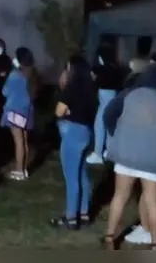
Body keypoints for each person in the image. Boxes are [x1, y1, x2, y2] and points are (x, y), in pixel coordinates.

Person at [101, 62, 156, 250]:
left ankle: (109, 238)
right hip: (154, 157)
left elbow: (108, 115)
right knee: (153, 202)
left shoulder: (129, 94)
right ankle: (155, 244)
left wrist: (117, 133)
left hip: (126, 152)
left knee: (119, 196)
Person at [50, 55, 97, 230]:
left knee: (71, 178)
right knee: (82, 175)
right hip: (86, 134)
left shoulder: (71, 88)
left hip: (72, 134)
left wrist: (67, 110)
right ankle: (84, 214)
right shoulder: (90, 89)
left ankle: (70, 218)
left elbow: (58, 111)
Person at [1, 47, 37, 181]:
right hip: (27, 110)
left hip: (15, 110)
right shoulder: (31, 74)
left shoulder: (15, 75)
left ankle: (19, 170)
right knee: (24, 140)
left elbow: (5, 92)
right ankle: (24, 168)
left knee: (18, 141)